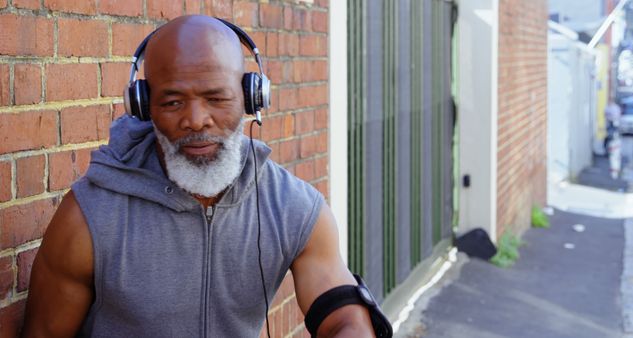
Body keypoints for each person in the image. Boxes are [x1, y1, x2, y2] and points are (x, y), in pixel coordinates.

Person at [22, 16, 387, 337]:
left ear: (250, 97)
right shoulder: (90, 218)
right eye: (172, 102)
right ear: (143, 106)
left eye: (216, 98)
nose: (196, 120)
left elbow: (341, 313)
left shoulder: (293, 207)